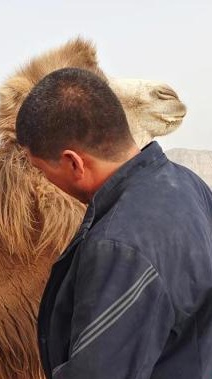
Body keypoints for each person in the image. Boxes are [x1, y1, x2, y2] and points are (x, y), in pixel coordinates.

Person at [15, 68, 212, 379]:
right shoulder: (188, 183)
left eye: (43, 170)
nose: (46, 181)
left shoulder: (118, 246)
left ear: (73, 163)